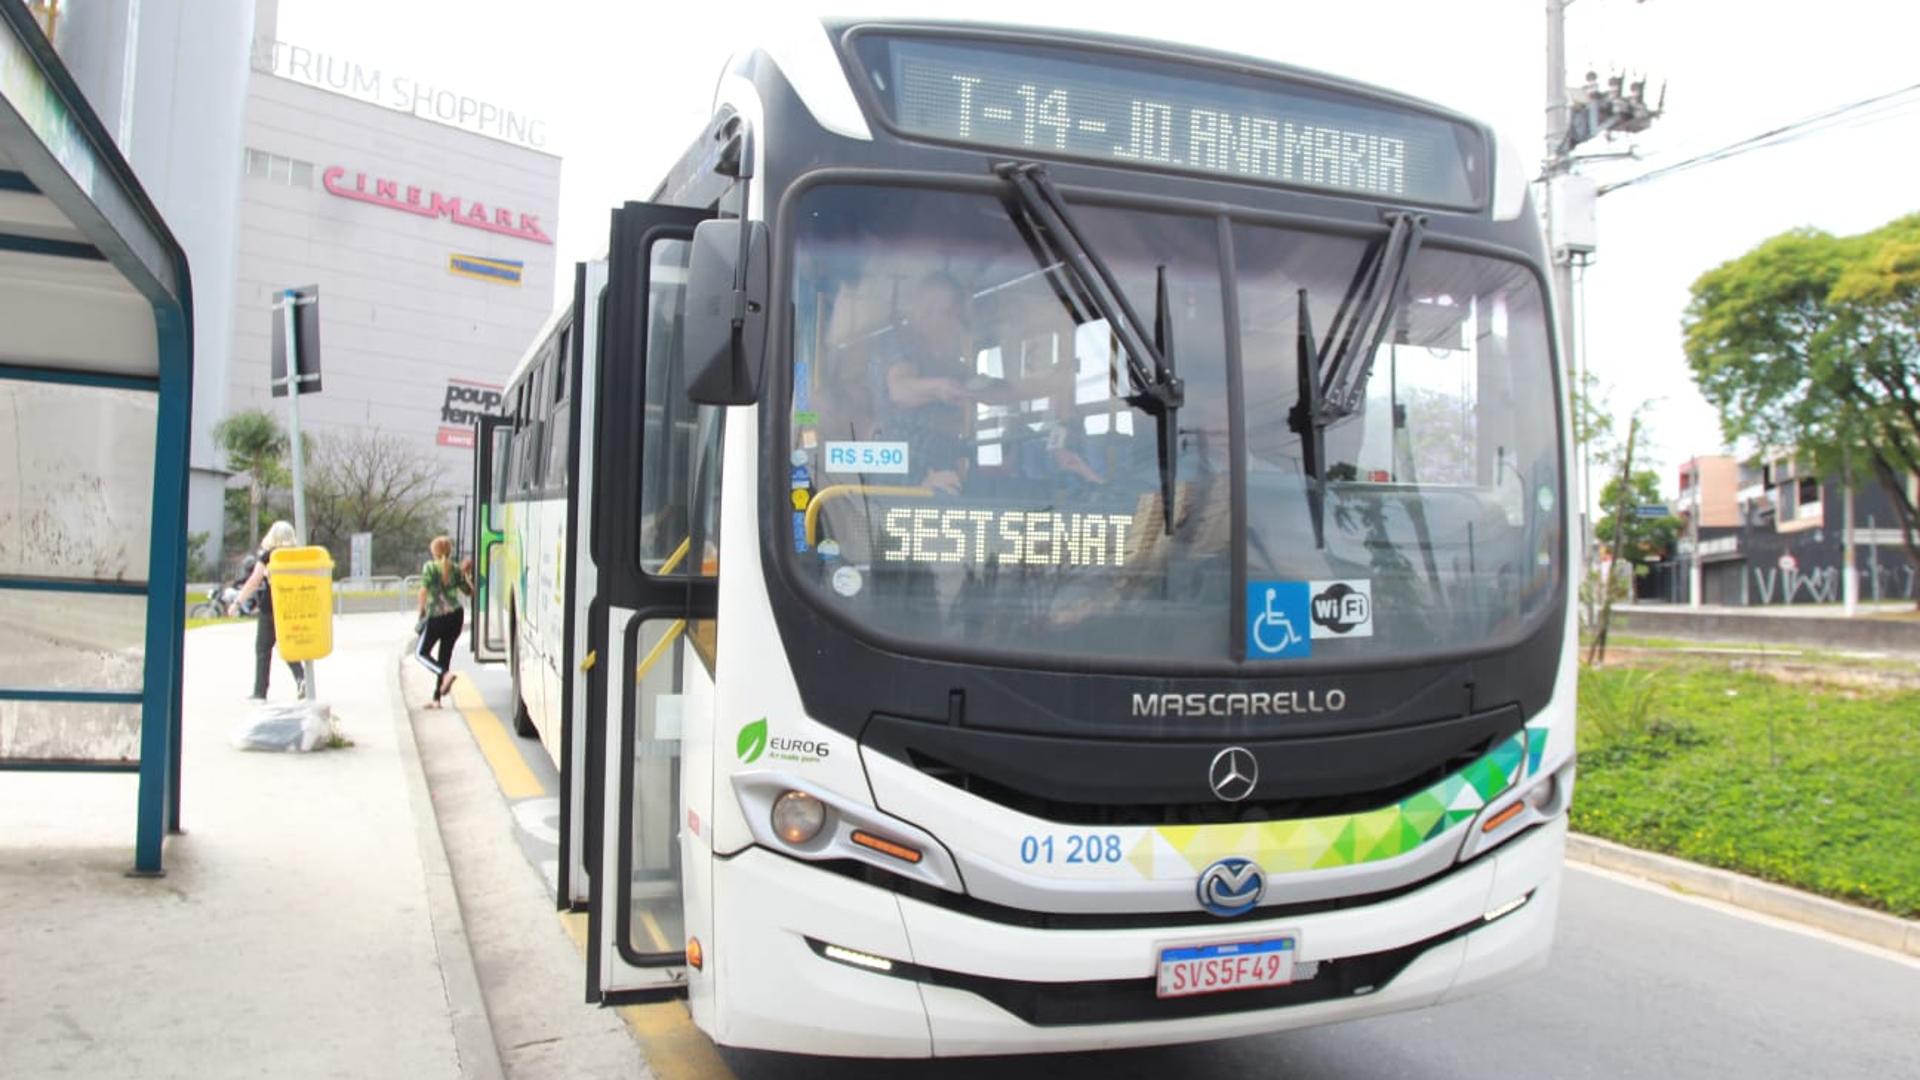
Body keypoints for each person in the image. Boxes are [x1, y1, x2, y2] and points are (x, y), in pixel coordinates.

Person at [230, 520, 305, 701]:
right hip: (292, 605)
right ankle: (301, 677)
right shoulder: (299, 556)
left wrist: (238, 602)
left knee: (263, 648)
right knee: (287, 646)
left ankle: (260, 691)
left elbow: (254, 581)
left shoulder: (269, 556)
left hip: (271, 606)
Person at [414, 535, 474, 708]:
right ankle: (436, 699)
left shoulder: (430, 567)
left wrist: (421, 612)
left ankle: (444, 675)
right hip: (456, 616)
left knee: (421, 653)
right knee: (444, 656)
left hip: (436, 616)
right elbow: (469, 592)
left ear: (434, 551)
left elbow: (423, 591)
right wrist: (466, 574)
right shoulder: (455, 568)